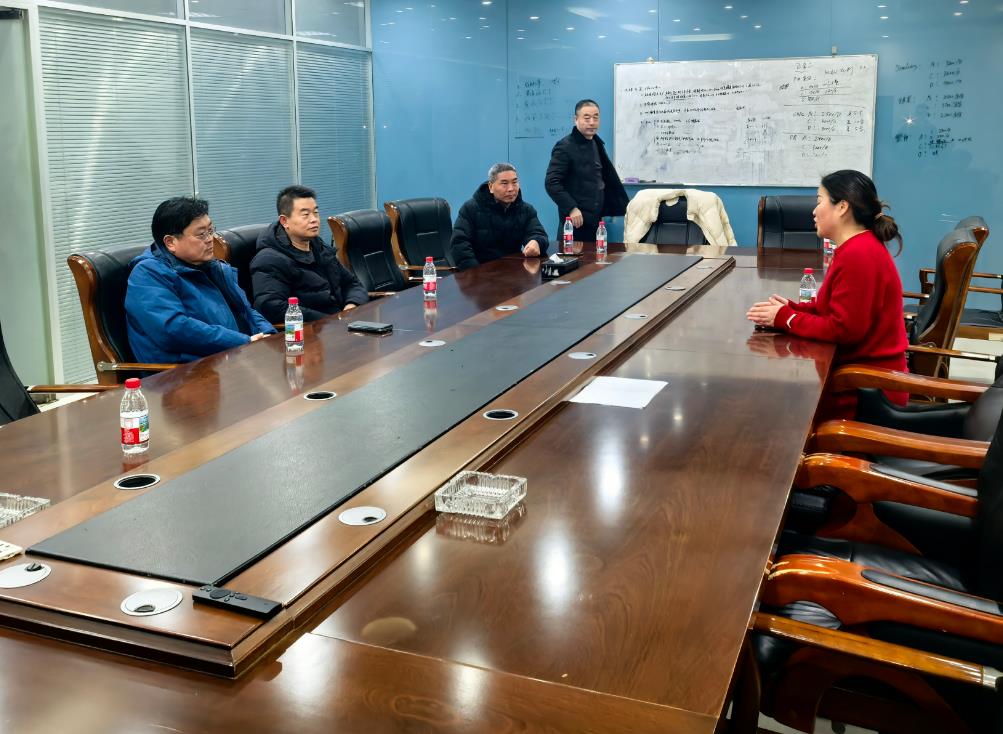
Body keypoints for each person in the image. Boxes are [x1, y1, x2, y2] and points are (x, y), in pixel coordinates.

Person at [746, 170, 908, 419]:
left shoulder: (859, 255)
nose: (814, 211)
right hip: (860, 380)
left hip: (868, 392)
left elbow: (843, 330)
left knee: (776, 410)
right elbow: (831, 310)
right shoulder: (855, 247)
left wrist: (787, 318)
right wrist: (791, 309)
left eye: (819, 200)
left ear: (842, 207)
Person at [126, 197, 275, 364]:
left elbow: (246, 310)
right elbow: (174, 329)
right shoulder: (148, 274)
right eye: (201, 234)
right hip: (188, 371)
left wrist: (268, 336)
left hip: (235, 357)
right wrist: (243, 341)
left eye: (211, 230)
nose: (210, 239)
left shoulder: (213, 267)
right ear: (170, 242)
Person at [251, 185, 369, 323]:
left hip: (340, 324)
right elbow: (272, 307)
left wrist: (351, 306)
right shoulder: (269, 260)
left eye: (316, 213)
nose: (314, 219)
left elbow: (352, 283)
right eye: (305, 215)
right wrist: (330, 321)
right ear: (284, 221)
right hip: (310, 330)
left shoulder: (320, 247)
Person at [544, 99, 628, 241]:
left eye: (596, 117)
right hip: (575, 222)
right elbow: (552, 182)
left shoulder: (596, 143)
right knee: (573, 255)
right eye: (587, 118)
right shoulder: (565, 147)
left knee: (597, 255)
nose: (592, 122)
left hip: (595, 221)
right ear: (576, 119)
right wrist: (571, 208)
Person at [450, 163, 549, 270]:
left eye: (514, 182)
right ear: (491, 187)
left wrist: (537, 242)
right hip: (480, 272)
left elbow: (539, 234)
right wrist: (475, 272)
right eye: (504, 183)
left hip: (514, 272)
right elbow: (459, 244)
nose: (511, 188)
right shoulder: (471, 209)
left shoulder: (526, 210)